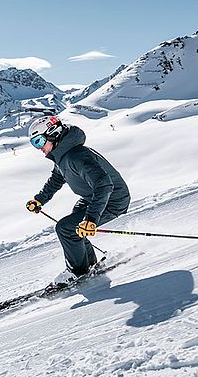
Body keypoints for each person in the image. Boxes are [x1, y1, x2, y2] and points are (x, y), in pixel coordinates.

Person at [25, 116, 130, 283]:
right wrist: (39, 200)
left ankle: (77, 272)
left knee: (65, 228)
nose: (38, 148)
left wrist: (92, 219)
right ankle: (88, 265)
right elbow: (57, 179)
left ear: (53, 134)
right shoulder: (63, 154)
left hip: (112, 200)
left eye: (38, 141)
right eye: (34, 143)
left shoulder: (76, 156)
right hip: (92, 198)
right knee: (75, 227)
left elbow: (104, 184)